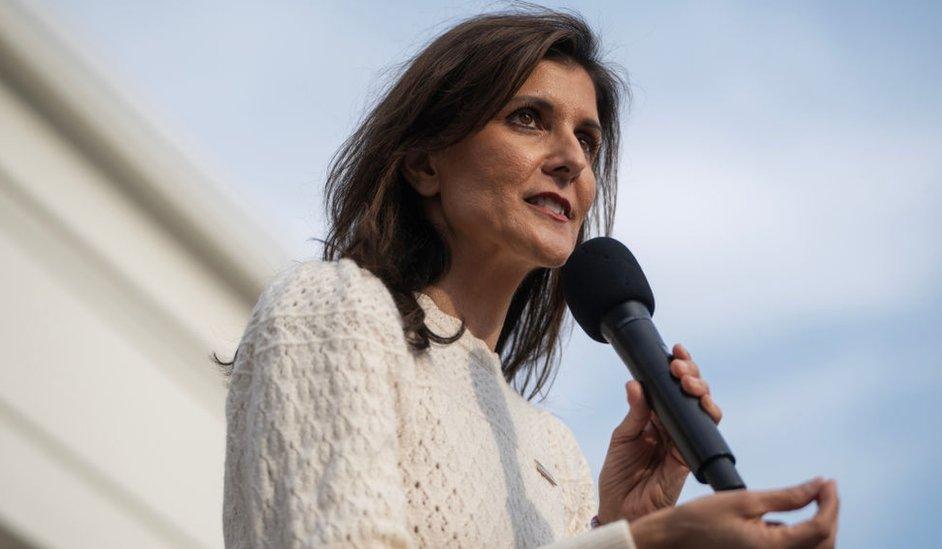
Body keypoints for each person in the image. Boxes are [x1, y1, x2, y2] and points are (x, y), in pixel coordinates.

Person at [218, 6, 840, 548]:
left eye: (588, 140)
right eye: (529, 118)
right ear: (423, 163)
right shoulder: (330, 305)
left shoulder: (556, 454)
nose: (572, 159)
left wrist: (624, 520)